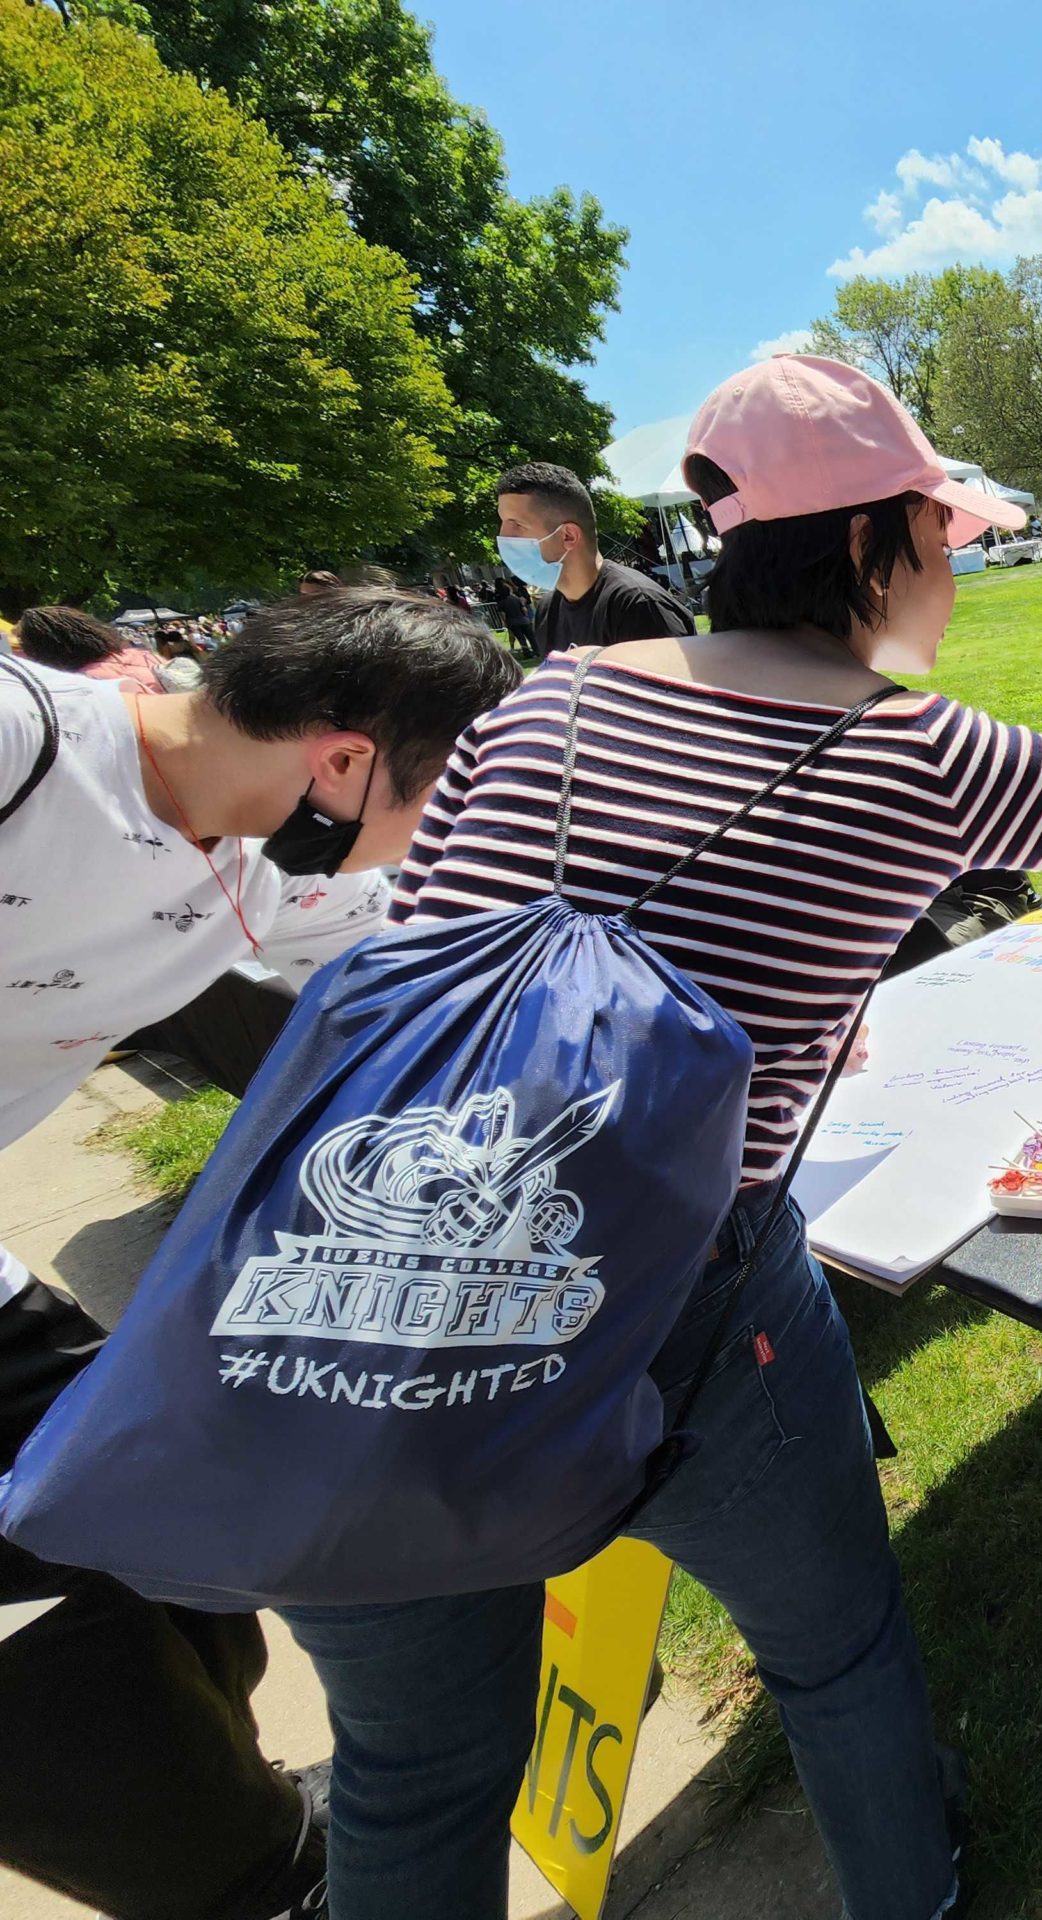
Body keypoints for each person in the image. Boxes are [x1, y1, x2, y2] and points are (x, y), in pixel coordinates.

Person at [277, 352, 1042, 1920]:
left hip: (373, 1295)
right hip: (680, 1298)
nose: (954, 569)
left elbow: (441, 945)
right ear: (869, 543)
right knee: (839, 1646)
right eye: (939, 535)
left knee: (413, 1779)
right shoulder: (917, 749)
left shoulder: (549, 694)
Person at [0, 587, 518, 1920]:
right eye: (439, 795)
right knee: (52, 1638)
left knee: (159, 1522)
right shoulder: (24, 744)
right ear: (342, 759)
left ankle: (243, 1813)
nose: (435, 829)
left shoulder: (258, 866)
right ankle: (248, 1879)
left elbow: (449, 917)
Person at [494, 460, 696, 657]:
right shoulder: (548, 611)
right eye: (503, 523)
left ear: (568, 536)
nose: (503, 536)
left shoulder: (639, 606)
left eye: (516, 524)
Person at [9, 603, 163, 690]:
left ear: (47, 646)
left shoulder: (85, 683)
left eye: (24, 644)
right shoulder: (144, 656)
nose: (22, 651)